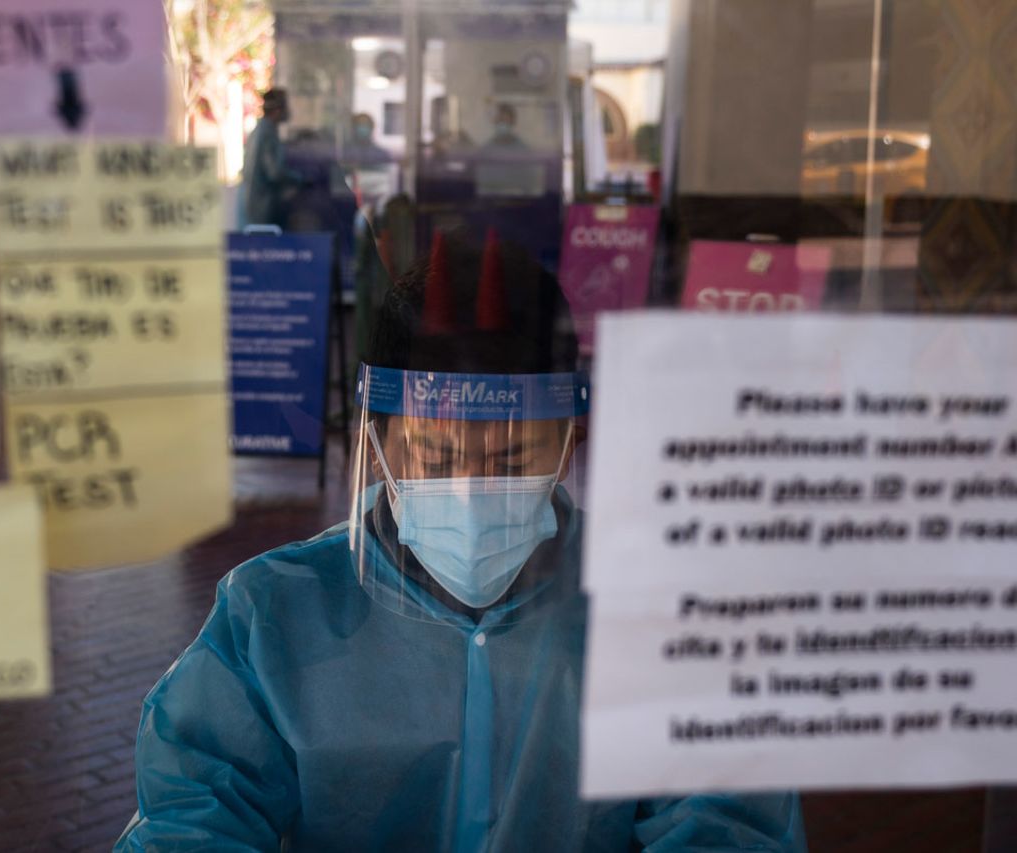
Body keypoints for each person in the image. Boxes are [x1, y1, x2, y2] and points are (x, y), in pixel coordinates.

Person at [116, 231, 806, 851]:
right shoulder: (270, 620)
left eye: (510, 462)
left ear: (571, 443)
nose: (473, 485)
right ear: (377, 443)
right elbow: (192, 819)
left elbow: (729, 820)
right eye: (435, 459)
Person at [242, 88, 303, 230]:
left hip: (254, 206)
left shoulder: (259, 131)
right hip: (264, 208)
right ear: (277, 111)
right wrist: (300, 179)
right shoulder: (267, 134)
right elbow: (274, 172)